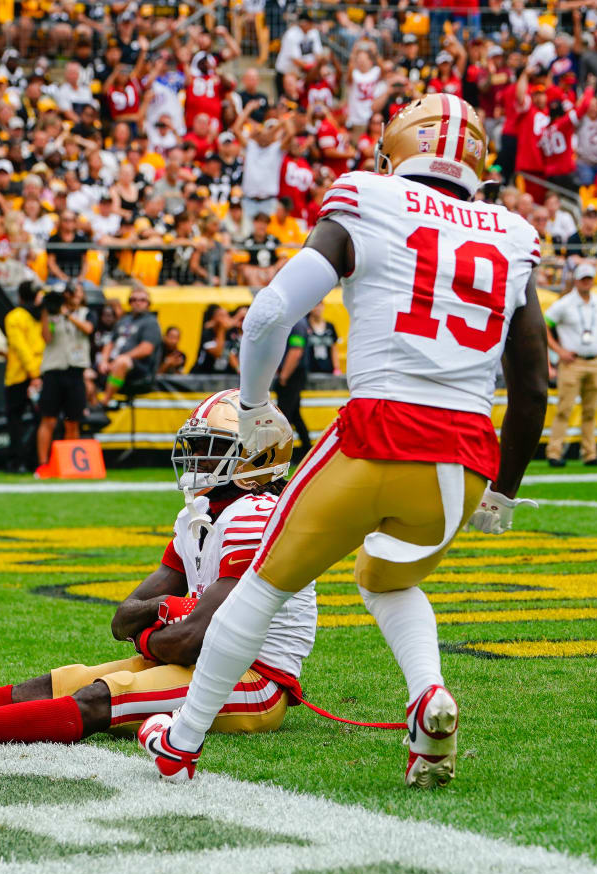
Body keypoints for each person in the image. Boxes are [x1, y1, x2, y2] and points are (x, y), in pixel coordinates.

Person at [137, 95, 549, 788]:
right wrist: (505, 489)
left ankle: (180, 742)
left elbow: (270, 311)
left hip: (377, 432)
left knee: (262, 589)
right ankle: (428, 697)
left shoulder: (367, 195)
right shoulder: (512, 233)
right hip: (466, 463)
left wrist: (256, 404)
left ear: (392, 151)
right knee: (389, 577)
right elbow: (534, 383)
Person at [0, 392, 317, 752]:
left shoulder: (257, 516)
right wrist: (162, 616)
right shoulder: (200, 517)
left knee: (101, 697)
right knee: (61, 680)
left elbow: (186, 641)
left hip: (252, 680)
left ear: (256, 456)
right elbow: (123, 618)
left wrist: (156, 626)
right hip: (210, 660)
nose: (197, 458)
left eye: (213, 447)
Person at [544, 262, 597, 467]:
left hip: (595, 361)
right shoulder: (564, 304)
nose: (586, 282)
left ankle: (590, 453)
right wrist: (559, 351)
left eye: (589, 279)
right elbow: (545, 324)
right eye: (583, 279)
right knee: (564, 409)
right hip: (572, 362)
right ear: (576, 280)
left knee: (590, 410)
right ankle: (554, 452)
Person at [36, 287, 93, 476]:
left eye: (75, 293)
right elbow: (46, 337)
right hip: (54, 371)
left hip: (76, 372)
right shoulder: (53, 316)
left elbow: (88, 329)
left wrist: (67, 314)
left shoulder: (86, 313)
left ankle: (72, 466)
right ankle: (43, 465)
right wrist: (46, 311)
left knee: (72, 421)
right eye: (68, 294)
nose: (72, 297)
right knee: (48, 419)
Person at [3, 282, 44, 473]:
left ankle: (18, 461)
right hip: (37, 373)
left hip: (20, 375)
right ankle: (35, 459)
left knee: (16, 420)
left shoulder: (15, 317)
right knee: (39, 419)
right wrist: (36, 374)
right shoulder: (40, 317)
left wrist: (32, 373)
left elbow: (21, 348)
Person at [97, 288, 161, 406]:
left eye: (142, 300)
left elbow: (146, 349)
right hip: (115, 364)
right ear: (130, 302)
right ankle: (89, 408)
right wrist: (104, 361)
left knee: (122, 362)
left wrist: (120, 358)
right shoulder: (124, 320)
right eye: (134, 299)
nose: (138, 302)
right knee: (85, 373)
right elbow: (110, 342)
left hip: (140, 369)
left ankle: (105, 401)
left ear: (148, 304)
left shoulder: (151, 322)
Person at [274, 317, 311, 459]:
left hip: (292, 374)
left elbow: (296, 351)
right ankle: (307, 450)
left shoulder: (297, 323)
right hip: (292, 373)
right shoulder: (297, 323)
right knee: (295, 415)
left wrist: (284, 375)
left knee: (284, 416)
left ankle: (279, 455)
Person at [305, 302, 340, 375]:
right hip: (310, 369)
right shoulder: (305, 325)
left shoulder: (330, 326)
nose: (317, 308)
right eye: (315, 305)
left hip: (327, 368)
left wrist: (336, 368)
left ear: (323, 306)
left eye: (319, 305)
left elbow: (334, 348)